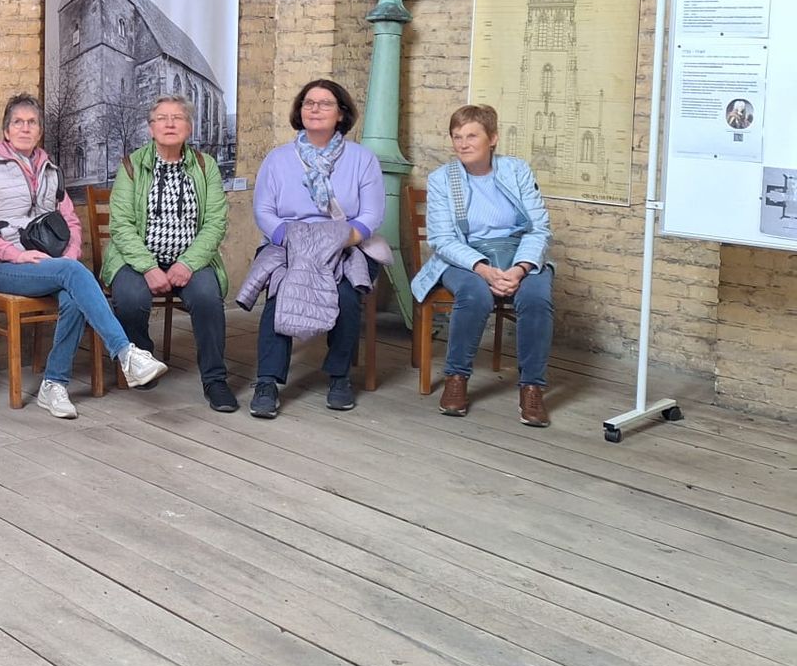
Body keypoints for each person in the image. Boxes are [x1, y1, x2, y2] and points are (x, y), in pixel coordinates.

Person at [0, 93, 166, 418]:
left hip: (50, 265)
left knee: (73, 293)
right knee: (72, 275)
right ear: (6, 130)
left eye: (32, 123)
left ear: (40, 131)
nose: (25, 128)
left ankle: (53, 384)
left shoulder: (51, 170)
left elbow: (71, 222)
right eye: (18, 122)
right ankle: (126, 352)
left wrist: (70, 256)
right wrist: (16, 256)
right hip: (4, 267)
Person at [242, 78, 385, 419]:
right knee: (280, 291)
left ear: (341, 114)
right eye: (309, 103)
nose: (315, 109)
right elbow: (264, 210)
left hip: (346, 242)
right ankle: (267, 382)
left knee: (347, 296)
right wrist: (294, 243)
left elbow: (372, 214)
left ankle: (339, 377)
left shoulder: (362, 159)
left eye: (325, 104)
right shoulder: (277, 160)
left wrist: (335, 243)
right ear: (299, 111)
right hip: (289, 242)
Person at [412, 103, 555, 426]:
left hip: (517, 253)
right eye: (456, 136)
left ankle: (532, 387)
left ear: (492, 138)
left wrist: (519, 269)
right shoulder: (442, 179)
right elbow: (442, 239)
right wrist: (482, 268)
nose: (462, 143)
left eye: (471, 135)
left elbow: (538, 229)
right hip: (463, 256)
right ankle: (456, 379)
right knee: (475, 295)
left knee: (536, 297)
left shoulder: (517, 171)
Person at [102, 96, 234, 412]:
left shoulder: (206, 166)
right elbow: (120, 225)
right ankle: (143, 358)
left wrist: (188, 263)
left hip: (191, 259)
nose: (170, 123)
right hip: (136, 259)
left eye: (177, 118)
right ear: (151, 128)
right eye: (162, 118)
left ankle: (215, 380)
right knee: (131, 299)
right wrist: (148, 267)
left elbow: (216, 222)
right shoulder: (131, 165)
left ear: (189, 127)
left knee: (207, 299)